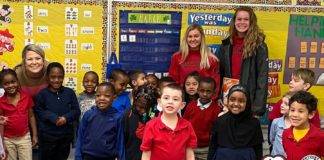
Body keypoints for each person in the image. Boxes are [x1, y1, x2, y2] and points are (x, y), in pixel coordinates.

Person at [219, 6, 268, 116]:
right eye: (239, 19)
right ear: (234, 21)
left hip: (248, 100)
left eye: (246, 19)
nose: (242, 22)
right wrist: (219, 97)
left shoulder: (259, 46)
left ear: (251, 22)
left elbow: (262, 77)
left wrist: (257, 108)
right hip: (229, 98)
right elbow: (220, 73)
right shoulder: (226, 45)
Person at [35, 62, 80, 160]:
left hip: (65, 138)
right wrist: (53, 118)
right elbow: (39, 111)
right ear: (47, 77)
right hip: (47, 138)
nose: (56, 80)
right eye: (53, 77)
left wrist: (65, 118)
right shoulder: (42, 94)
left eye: (60, 77)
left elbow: (76, 111)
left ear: (63, 77)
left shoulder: (69, 93)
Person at [141, 84, 197, 160]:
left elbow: (189, 153)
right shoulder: (151, 125)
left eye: (175, 99)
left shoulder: (187, 126)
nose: (170, 102)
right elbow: (146, 154)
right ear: (159, 102)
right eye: (166, 98)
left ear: (182, 105)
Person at [208, 85, 263, 160]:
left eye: (241, 101)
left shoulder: (254, 123)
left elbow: (258, 149)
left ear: (247, 103)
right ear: (227, 100)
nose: (236, 104)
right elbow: (213, 147)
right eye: (232, 100)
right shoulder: (220, 121)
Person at [75, 82, 125, 160]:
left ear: (114, 98)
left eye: (107, 96)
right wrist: (78, 157)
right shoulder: (88, 114)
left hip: (108, 157)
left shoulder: (118, 117)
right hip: (87, 157)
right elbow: (80, 137)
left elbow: (120, 142)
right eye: (98, 95)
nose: (101, 98)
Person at [168, 24, 220, 95]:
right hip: (182, 100)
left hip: (203, 101)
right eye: (190, 36)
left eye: (196, 36)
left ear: (202, 37)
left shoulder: (212, 59)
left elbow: (215, 84)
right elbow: (173, 81)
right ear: (186, 38)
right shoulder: (177, 57)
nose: (193, 39)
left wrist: (209, 102)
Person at [0, 69, 37, 160]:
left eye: (13, 82)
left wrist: (35, 135)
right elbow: (1, 123)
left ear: (17, 81)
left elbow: (31, 116)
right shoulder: (1, 102)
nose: (10, 85)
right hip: (7, 139)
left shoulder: (26, 97)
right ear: (2, 85)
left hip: (24, 138)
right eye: (6, 83)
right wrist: (2, 144)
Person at [183, 77, 220, 160]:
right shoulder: (191, 106)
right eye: (202, 90)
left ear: (214, 93)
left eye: (208, 91)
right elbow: (184, 124)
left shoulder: (216, 109)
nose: (205, 94)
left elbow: (216, 131)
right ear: (198, 90)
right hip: (190, 147)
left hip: (206, 149)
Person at [282, 91, 324, 160]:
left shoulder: (320, 136)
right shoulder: (285, 134)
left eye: (300, 111)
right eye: (292, 110)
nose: (295, 115)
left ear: (311, 114)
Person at [122, 85, 158, 160]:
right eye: (140, 107)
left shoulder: (156, 117)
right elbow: (122, 140)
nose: (143, 111)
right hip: (131, 156)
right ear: (135, 101)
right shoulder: (127, 115)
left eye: (147, 108)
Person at [269, 92, 294, 157]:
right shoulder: (276, 122)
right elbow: (272, 140)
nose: (281, 105)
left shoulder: (299, 125)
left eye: (286, 104)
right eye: (282, 102)